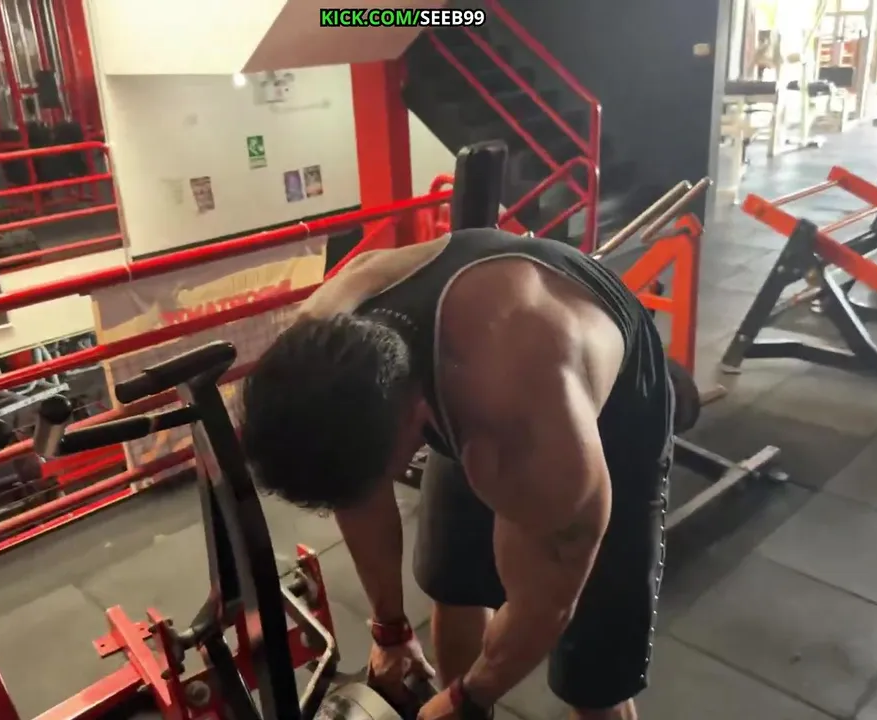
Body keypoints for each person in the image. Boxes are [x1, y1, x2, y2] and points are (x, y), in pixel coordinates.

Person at [240, 227, 674, 720]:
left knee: (594, 676)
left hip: (610, 395)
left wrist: (468, 697)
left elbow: (545, 606)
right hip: (478, 338)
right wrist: (391, 631)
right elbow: (355, 490)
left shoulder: (524, 429)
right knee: (453, 581)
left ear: (412, 418)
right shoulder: (319, 341)